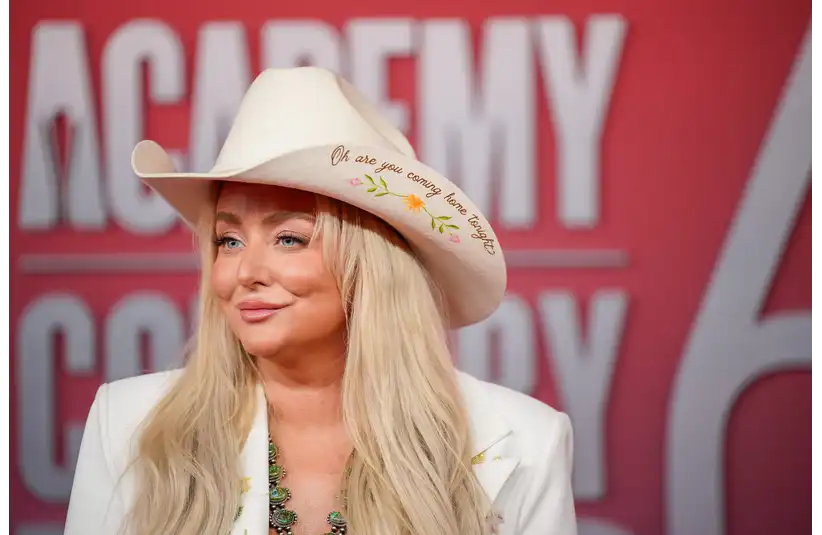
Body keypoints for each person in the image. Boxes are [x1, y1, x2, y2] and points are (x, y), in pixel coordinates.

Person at [63, 66, 577, 535]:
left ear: (369, 266)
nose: (246, 273)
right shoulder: (128, 425)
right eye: (229, 240)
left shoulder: (525, 442)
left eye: (289, 238)